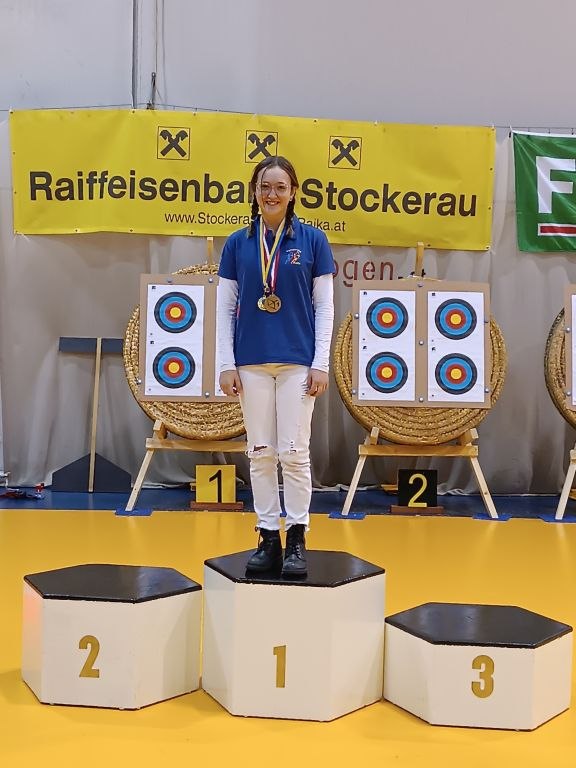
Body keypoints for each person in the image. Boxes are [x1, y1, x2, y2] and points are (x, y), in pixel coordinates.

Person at [217, 155, 335, 576]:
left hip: (297, 364)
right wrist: (225, 363)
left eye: (280, 187)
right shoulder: (237, 244)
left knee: (295, 453)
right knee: (260, 453)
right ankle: (268, 536)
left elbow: (325, 308)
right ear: (254, 191)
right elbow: (224, 307)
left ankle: (297, 537)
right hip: (250, 363)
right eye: (265, 186)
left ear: (293, 193)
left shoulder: (314, 241)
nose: (272, 194)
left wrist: (321, 363)